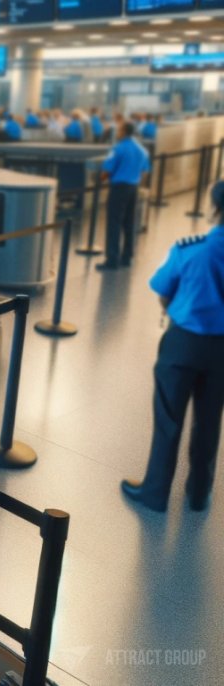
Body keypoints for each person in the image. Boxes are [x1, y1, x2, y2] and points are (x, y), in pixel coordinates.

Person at [122, 181, 224, 513]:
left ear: (214, 207)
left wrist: (172, 309)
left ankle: (154, 494)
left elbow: (163, 289)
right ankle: (199, 493)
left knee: (168, 418)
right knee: (210, 420)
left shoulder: (190, 248)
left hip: (183, 344)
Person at [97, 121, 150, 271]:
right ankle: (127, 257)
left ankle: (112, 259)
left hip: (119, 188)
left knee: (114, 223)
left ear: (124, 131)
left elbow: (107, 170)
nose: (117, 133)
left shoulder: (118, 148)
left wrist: (100, 179)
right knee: (129, 222)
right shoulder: (142, 150)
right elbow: (145, 171)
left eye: (119, 130)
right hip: (133, 188)